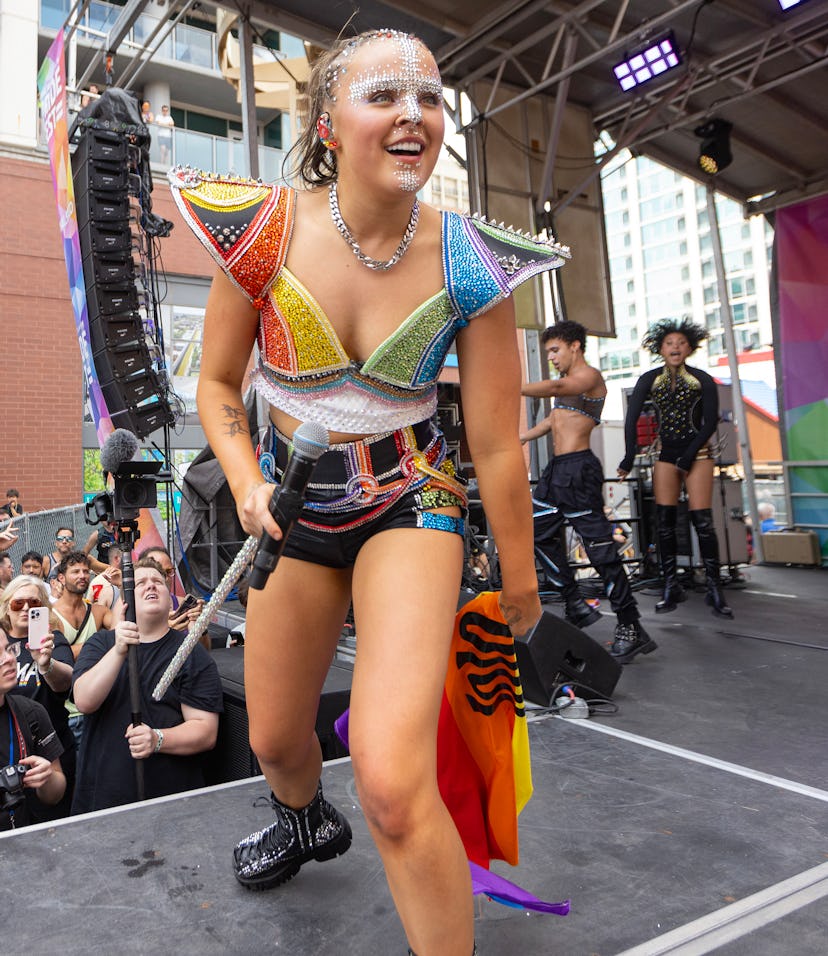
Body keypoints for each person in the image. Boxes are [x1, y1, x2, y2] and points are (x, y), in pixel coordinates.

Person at [169, 28, 567, 956]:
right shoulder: (261, 230)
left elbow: (496, 447)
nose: (412, 114)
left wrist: (521, 584)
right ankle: (306, 820)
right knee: (273, 741)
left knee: (391, 783)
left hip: (413, 504)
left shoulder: (472, 259)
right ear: (326, 124)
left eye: (429, 98)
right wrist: (247, 480)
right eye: (383, 94)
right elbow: (219, 388)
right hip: (291, 513)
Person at [521, 321, 655, 664]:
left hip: (579, 470)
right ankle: (574, 602)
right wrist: (521, 438)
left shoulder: (588, 378)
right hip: (556, 473)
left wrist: (514, 387)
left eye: (555, 350)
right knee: (538, 530)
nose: (551, 357)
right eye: (548, 351)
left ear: (575, 346)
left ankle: (630, 626)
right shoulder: (565, 392)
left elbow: (556, 384)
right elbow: (553, 422)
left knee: (600, 550)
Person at [72, 558, 222, 813]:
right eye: (140, 583)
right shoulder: (101, 644)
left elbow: (205, 732)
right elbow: (85, 700)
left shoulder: (190, 654)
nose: (150, 586)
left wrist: (158, 739)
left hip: (170, 801)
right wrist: (120, 649)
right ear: (125, 601)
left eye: (158, 582)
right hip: (104, 799)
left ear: (169, 598)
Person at [619, 318, 733, 618]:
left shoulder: (702, 379)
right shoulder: (649, 379)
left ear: (690, 348)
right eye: (670, 343)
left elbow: (710, 421)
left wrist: (689, 455)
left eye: (681, 343)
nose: (675, 347)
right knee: (664, 522)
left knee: (703, 521)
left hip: (700, 453)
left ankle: (714, 588)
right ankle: (670, 585)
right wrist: (628, 457)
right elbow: (631, 420)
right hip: (666, 454)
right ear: (660, 347)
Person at [0, 575, 76, 818]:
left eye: (34, 603)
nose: (25, 608)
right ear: (6, 608)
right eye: (17, 603)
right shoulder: (2, 642)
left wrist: (46, 664)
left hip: (49, 747)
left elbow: (67, 681)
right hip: (7, 749)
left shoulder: (51, 641)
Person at [0, 628, 66, 831]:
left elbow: (56, 794)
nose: (9, 658)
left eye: (8, 649)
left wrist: (46, 778)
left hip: (22, 841)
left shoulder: (31, 712)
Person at [52, 552, 117, 748]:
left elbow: (124, 632)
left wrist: (123, 584)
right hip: (67, 712)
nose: (82, 575)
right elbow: (57, 658)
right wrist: (100, 644)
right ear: (61, 578)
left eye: (86, 571)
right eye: (75, 571)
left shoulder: (98, 611)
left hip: (101, 706)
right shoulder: (50, 614)